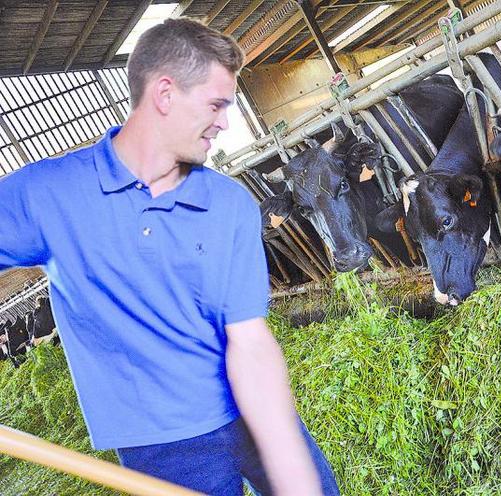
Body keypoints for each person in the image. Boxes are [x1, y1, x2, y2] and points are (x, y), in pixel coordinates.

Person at [0, 17, 339, 496]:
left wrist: (287, 455)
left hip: (251, 411)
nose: (224, 121)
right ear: (164, 95)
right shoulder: (46, 194)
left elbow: (249, 339)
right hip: (159, 446)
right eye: (216, 105)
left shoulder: (230, 205)